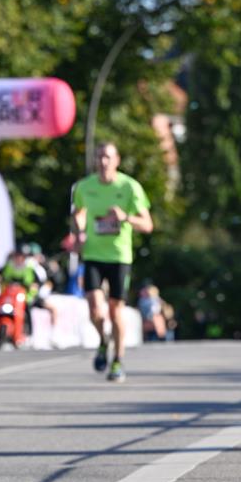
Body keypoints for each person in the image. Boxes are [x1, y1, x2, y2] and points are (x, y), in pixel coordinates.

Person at [72, 141, 153, 382]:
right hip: (93, 255)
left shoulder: (130, 187)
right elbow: (79, 213)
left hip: (119, 256)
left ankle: (117, 361)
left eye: (108, 157)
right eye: (99, 157)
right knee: (95, 310)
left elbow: (148, 225)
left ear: (117, 160)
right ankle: (103, 340)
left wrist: (125, 217)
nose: (103, 161)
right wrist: (79, 229)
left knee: (115, 310)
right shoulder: (84, 187)